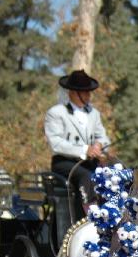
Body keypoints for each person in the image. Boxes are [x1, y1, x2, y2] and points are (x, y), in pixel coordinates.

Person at [44, 69, 110, 206]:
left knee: (112, 173)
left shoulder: (94, 113)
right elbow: (56, 143)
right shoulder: (56, 113)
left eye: (88, 92)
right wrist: (85, 149)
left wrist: (98, 144)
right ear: (73, 93)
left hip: (89, 162)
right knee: (86, 176)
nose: (88, 96)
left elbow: (102, 136)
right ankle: (89, 216)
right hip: (64, 162)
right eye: (84, 92)